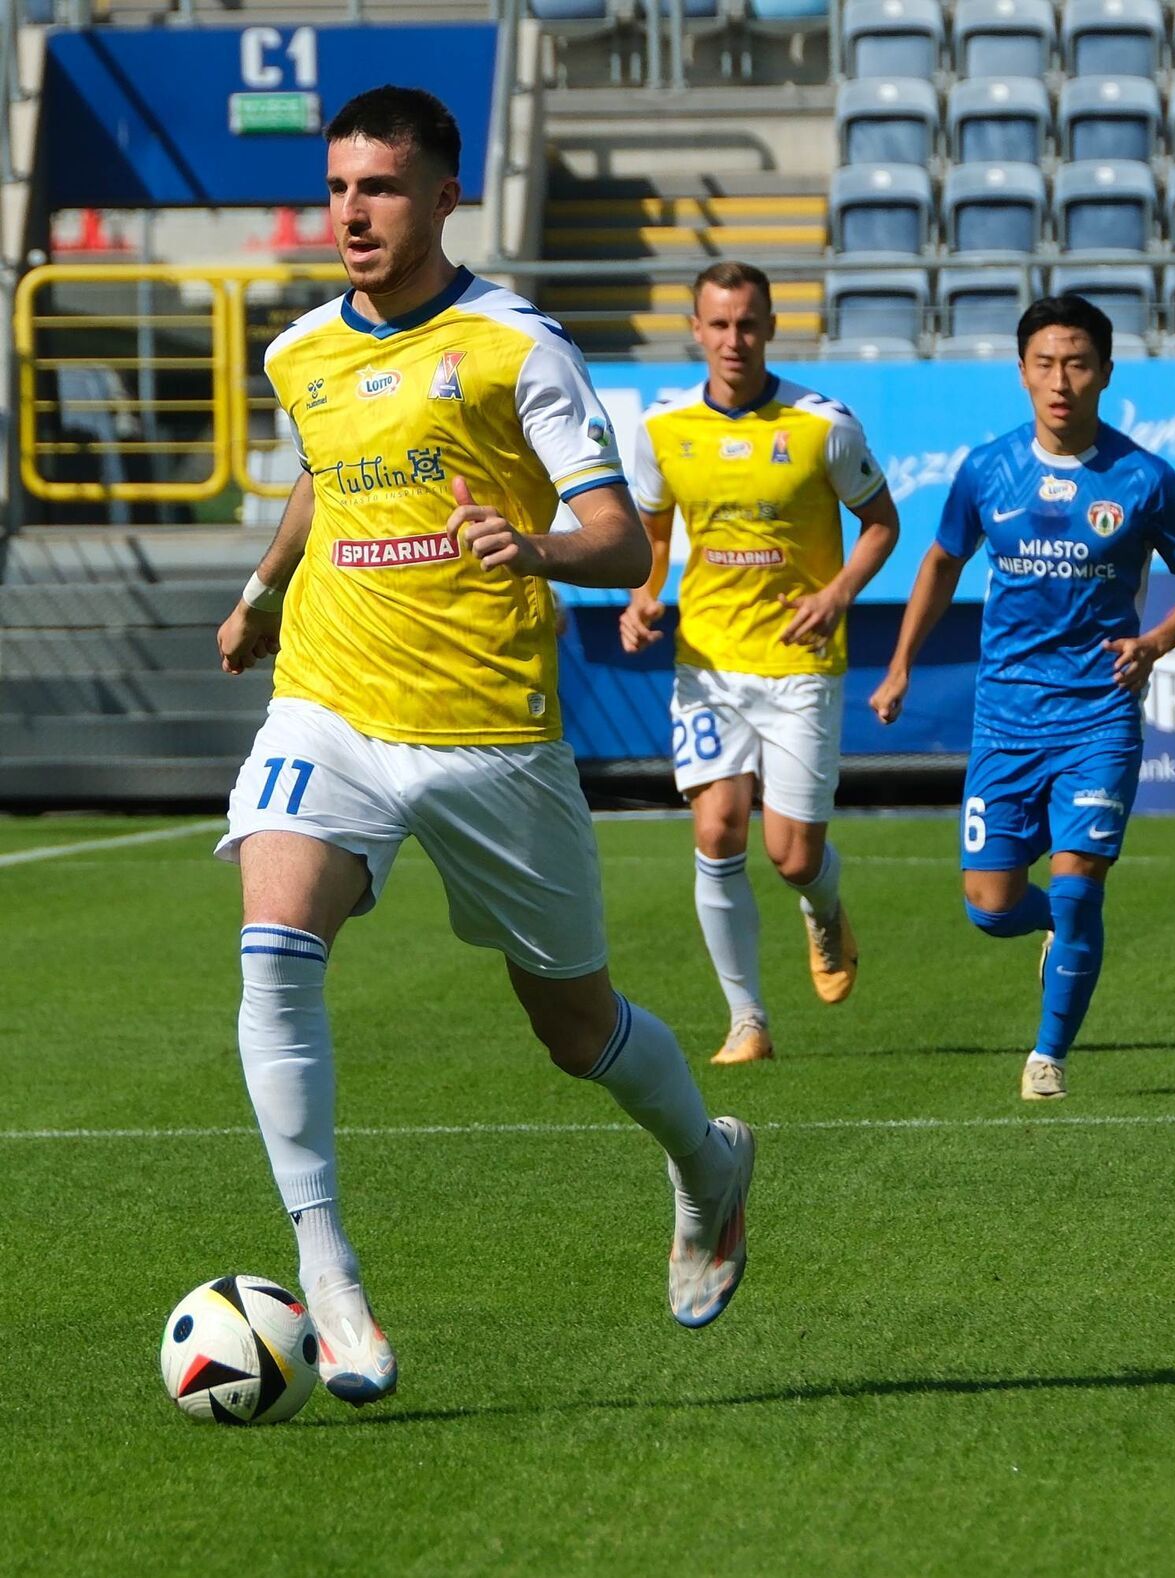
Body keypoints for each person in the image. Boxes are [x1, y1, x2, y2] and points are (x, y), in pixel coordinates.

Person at [214, 85, 755, 1406]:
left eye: (382, 186)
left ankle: (706, 1158)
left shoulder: (518, 350)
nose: (353, 209)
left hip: (486, 733)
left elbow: (623, 537)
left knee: (573, 1024)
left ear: (448, 196)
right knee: (274, 941)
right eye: (340, 185)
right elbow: (324, 468)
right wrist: (265, 588)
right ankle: (327, 1274)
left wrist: (539, 546)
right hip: (329, 701)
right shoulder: (300, 353)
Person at [870, 295, 1175, 1100]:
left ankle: (1047, 1058)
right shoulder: (987, 470)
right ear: (1022, 372)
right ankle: (1056, 931)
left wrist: (1155, 644)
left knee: (1076, 883)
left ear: (1104, 372)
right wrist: (899, 668)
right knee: (992, 908)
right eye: (1044, 363)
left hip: (1098, 715)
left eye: (1077, 363)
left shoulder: (1144, 478)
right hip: (1005, 717)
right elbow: (939, 564)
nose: (1060, 380)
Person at [619, 262, 900, 1065]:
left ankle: (825, 908)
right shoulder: (664, 427)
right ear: (696, 331)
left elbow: (881, 522)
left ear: (771, 327)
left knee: (793, 856)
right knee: (715, 829)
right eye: (719, 324)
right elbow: (653, 533)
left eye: (748, 324)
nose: (733, 339)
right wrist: (643, 596)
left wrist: (839, 593)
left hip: (801, 664)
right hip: (706, 663)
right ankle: (747, 1021)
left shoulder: (821, 425)